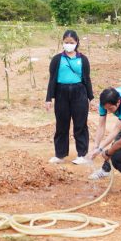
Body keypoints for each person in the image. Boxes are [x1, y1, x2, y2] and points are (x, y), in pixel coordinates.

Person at [44, 30, 95, 165]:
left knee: (80, 124)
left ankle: (82, 154)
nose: (69, 45)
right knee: (61, 124)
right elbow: (52, 80)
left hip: (79, 92)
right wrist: (49, 98)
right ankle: (60, 154)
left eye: (71, 43)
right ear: (62, 43)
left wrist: (91, 97)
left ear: (77, 42)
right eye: (66, 42)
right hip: (61, 92)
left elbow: (87, 79)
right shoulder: (57, 59)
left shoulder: (82, 59)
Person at [87, 86, 121, 179]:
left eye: (110, 109)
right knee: (117, 144)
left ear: (118, 102)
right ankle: (105, 170)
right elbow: (101, 125)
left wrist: (100, 149)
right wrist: (96, 146)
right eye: (106, 108)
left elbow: (116, 130)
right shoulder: (105, 102)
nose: (108, 111)